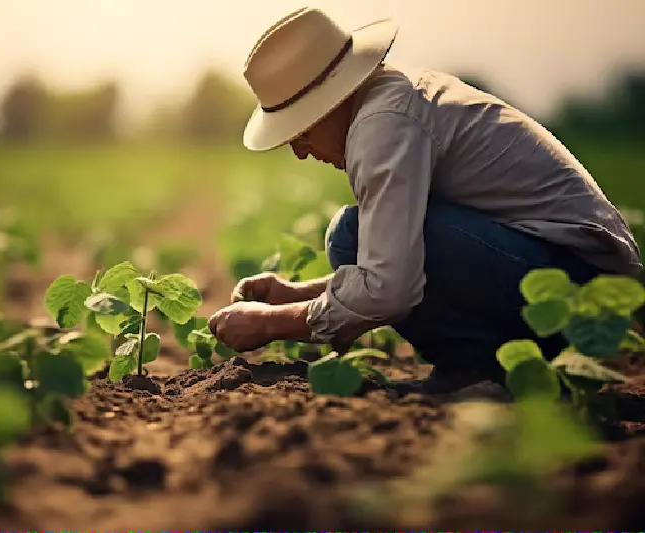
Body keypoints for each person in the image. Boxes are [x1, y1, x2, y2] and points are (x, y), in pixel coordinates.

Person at [207, 7, 643, 393]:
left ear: (328, 103)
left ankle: (476, 372)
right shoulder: (392, 97)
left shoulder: (383, 124)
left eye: (299, 131)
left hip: (578, 283)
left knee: (351, 234)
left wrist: (270, 323)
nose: (300, 150)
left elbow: (389, 288)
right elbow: (402, 259)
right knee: (353, 239)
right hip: (562, 272)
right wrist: (294, 294)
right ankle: (482, 370)